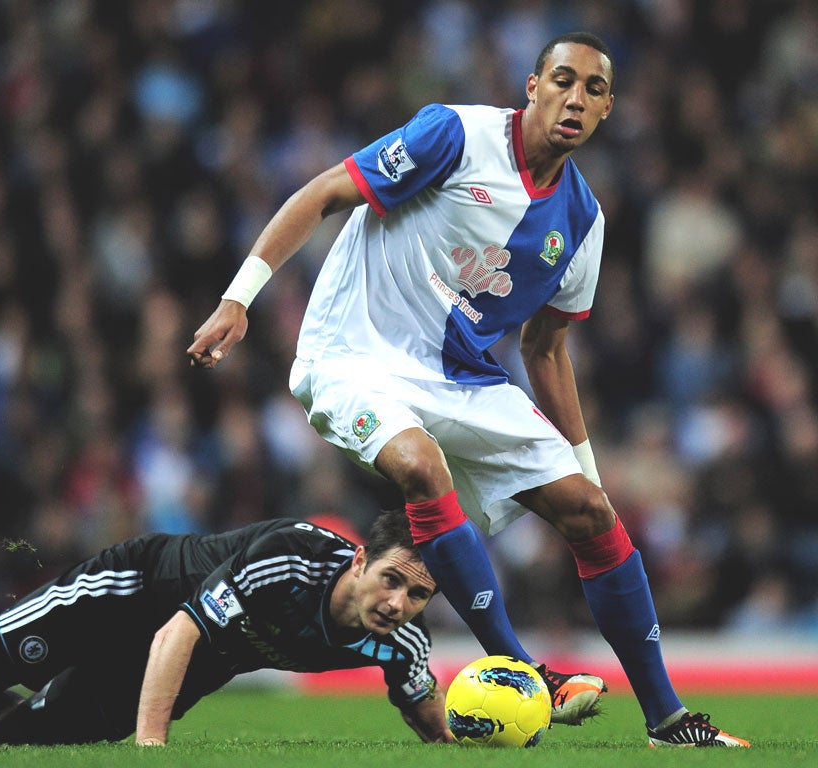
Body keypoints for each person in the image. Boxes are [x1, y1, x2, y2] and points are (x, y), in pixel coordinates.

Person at [187, 31, 749, 748]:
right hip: (353, 352)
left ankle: (668, 720)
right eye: (563, 80)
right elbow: (327, 191)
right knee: (422, 467)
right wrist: (240, 297)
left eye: (595, 89)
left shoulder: (581, 224)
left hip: (458, 378)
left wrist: (588, 470)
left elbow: (545, 349)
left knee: (590, 513)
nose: (576, 97)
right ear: (532, 86)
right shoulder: (454, 134)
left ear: (608, 111)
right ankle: (519, 670)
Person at [0, 510, 451, 745]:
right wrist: (151, 748)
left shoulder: (401, 642)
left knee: (12, 736)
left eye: (418, 595)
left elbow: (429, 715)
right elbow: (178, 631)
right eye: (391, 579)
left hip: (198, 662)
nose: (398, 603)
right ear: (361, 561)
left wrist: (490, 729)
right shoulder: (291, 557)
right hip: (134, 592)